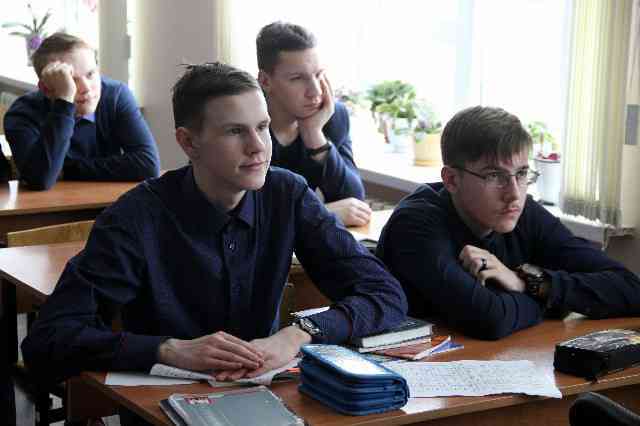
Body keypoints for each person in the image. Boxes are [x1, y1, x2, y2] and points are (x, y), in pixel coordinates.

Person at [22, 63, 407, 390]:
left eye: (262, 126)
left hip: (266, 396)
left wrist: (298, 334)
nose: (258, 147)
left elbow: (385, 293)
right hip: (165, 405)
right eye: (235, 131)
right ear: (189, 143)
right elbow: (48, 340)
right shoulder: (135, 217)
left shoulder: (287, 193)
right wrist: (168, 349)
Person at [377, 106, 640, 340]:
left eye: (522, 173)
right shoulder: (415, 225)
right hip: (417, 374)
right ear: (452, 180)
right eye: (495, 176)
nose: (514, 193)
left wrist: (531, 283)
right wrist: (553, 302)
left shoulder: (521, 212)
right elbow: (490, 319)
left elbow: (631, 289)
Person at [3, 32, 160, 190]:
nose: (86, 88)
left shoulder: (116, 96)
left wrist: (68, 169)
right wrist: (64, 101)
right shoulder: (22, 114)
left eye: (90, 74)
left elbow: (147, 165)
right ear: (46, 89)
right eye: (71, 80)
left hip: (108, 199)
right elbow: (40, 179)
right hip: (49, 204)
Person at [256, 22, 372, 226]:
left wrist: (314, 134)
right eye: (297, 78)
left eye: (318, 75)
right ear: (266, 81)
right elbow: (247, 216)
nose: (315, 91)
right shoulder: (245, 126)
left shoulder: (331, 116)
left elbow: (355, 205)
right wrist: (321, 213)